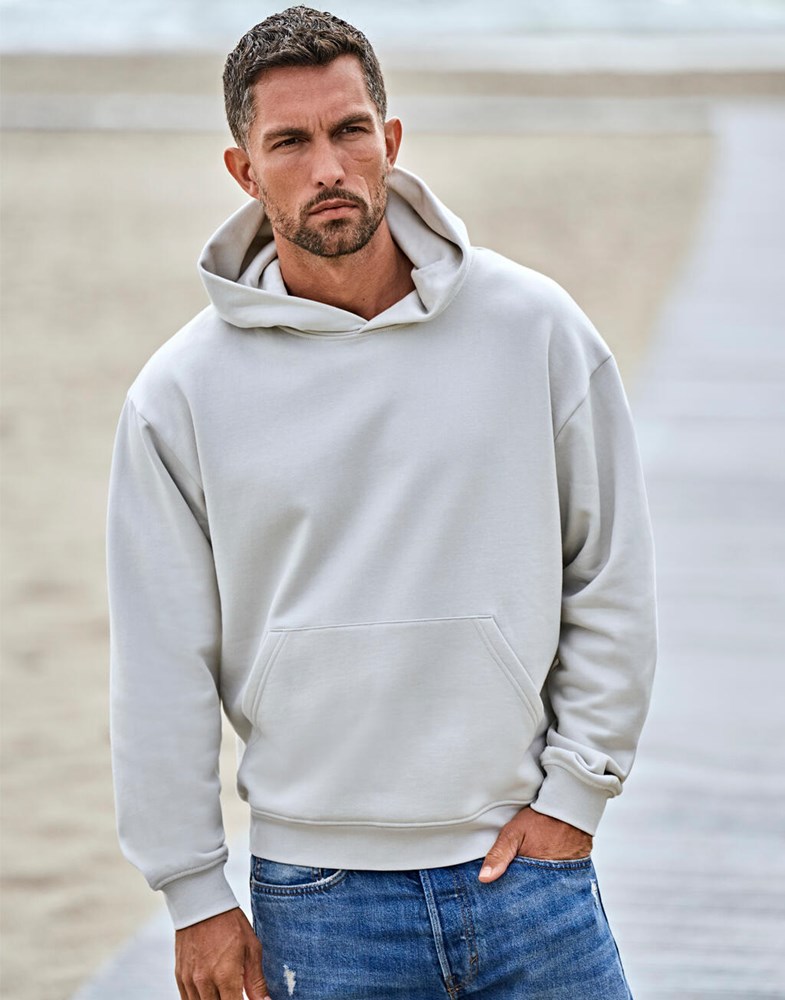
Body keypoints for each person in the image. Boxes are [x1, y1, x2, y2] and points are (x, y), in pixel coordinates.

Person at [106, 6, 657, 999]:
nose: (329, 167)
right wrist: (193, 893)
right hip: (320, 898)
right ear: (243, 169)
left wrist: (576, 794)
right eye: (290, 142)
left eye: (349, 130)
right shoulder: (178, 395)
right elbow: (159, 663)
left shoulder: (534, 330)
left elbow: (609, 571)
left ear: (390, 140)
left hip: (527, 874)